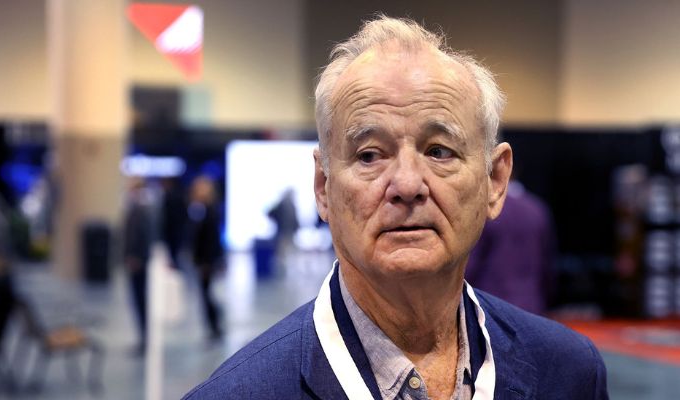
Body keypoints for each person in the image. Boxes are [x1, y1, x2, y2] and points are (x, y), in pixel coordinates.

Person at [184, 15, 608, 399]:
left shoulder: (570, 375)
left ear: (495, 181)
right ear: (323, 187)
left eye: (439, 151)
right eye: (369, 155)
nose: (406, 185)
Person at [466, 179, 556, 315]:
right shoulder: (537, 209)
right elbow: (546, 267)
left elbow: (471, 264)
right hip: (531, 306)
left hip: (490, 306)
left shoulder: (488, 211)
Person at [188, 176, 224, 339]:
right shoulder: (201, 210)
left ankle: (215, 326)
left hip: (206, 262)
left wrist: (207, 262)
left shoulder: (209, 212)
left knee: (207, 295)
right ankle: (213, 326)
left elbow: (210, 240)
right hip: (203, 260)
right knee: (206, 294)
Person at [122, 177, 154, 355]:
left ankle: (145, 339)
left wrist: (137, 257)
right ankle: (143, 338)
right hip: (136, 260)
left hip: (138, 262)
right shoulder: (137, 208)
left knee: (140, 301)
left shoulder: (141, 209)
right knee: (138, 301)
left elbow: (141, 236)